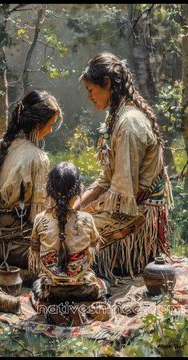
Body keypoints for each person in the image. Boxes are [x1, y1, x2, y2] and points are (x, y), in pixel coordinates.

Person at [73, 52, 173, 283]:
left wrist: (81, 215)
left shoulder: (129, 124)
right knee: (68, 222)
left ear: (106, 83)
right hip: (125, 202)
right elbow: (107, 180)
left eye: (90, 89)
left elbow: (124, 196)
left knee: (73, 234)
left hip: (138, 214)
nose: (89, 96)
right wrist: (75, 207)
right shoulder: (116, 117)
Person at [0, 90, 63, 271]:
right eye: (51, 124)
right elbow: (38, 217)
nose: (51, 130)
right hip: (22, 252)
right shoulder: (37, 157)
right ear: (38, 125)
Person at [29, 161, 109, 303]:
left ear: (48, 189)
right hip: (84, 290)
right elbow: (94, 245)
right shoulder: (87, 219)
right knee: (105, 283)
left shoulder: (40, 219)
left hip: (51, 292)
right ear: (79, 189)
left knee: (36, 283)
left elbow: (35, 250)